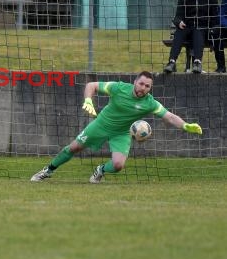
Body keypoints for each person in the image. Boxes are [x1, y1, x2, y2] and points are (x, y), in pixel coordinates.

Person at [30, 71, 203, 183]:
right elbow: (91, 86)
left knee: (119, 165)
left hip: (121, 133)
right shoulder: (119, 88)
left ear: (150, 88)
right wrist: (88, 100)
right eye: (141, 83)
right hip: (101, 124)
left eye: (147, 86)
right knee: (74, 147)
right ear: (135, 81)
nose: (143, 88)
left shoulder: (150, 103)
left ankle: (100, 170)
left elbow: (170, 117)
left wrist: (186, 126)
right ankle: (48, 170)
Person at [164, 0, 219, 74]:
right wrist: (179, 22)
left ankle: (197, 62)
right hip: (187, 27)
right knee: (179, 33)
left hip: (202, 28)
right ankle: (171, 62)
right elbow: (177, 17)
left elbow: (214, 19)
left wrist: (213, 30)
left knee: (198, 32)